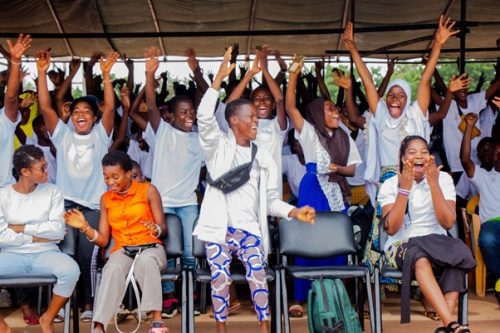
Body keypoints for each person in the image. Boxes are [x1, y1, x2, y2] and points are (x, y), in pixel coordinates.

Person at [193, 46, 316, 333]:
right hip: (218, 230)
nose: (255, 121)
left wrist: (294, 211)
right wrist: (218, 82)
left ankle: (264, 328)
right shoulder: (217, 147)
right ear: (233, 120)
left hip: (249, 229)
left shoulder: (262, 157)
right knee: (220, 277)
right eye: (250, 117)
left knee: (258, 275)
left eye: (256, 118)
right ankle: (221, 329)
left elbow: (272, 200)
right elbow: (203, 117)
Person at [36, 49, 119, 321]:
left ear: (95, 119)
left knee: (89, 259)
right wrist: (40, 73)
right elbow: (46, 108)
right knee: (61, 258)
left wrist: (106, 74)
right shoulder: (62, 136)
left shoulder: (100, 138)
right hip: (65, 206)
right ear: (71, 117)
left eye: (87, 111)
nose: (81, 114)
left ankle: (88, 305)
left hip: (94, 207)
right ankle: (58, 307)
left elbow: (109, 107)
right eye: (77, 111)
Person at [285, 58, 362, 317]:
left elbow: (351, 170)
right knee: (307, 238)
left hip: (337, 190)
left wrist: (335, 169)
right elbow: (290, 106)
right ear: (318, 113)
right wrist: (293, 75)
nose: (336, 113)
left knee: (335, 240)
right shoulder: (307, 131)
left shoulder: (345, 136)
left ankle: (335, 293)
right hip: (312, 187)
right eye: (330, 109)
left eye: (336, 109)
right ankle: (300, 297)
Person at [63, 150, 169, 333]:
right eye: (106, 177)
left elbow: (163, 227)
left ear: (128, 173)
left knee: (146, 261)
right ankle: (99, 326)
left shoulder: (148, 190)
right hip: (123, 249)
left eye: (115, 176)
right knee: (111, 268)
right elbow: (103, 240)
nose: (110, 182)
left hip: (150, 246)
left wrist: (156, 229)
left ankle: (157, 323)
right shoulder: (106, 199)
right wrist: (84, 227)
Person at [381, 136, 475, 333]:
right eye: (412, 152)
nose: (419, 156)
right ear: (403, 158)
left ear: (430, 157)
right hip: (402, 244)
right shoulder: (391, 184)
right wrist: (404, 190)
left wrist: (434, 185)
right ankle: (451, 323)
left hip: (437, 242)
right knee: (419, 257)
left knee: (457, 257)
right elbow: (392, 228)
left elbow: (447, 222)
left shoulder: (444, 180)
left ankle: (445, 327)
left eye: (424, 151)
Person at [142, 46, 205, 318]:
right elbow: (152, 105)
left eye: (191, 111)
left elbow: (202, 171)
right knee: (165, 252)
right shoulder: (163, 132)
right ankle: (168, 297)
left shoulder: (202, 139)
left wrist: (197, 71)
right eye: (183, 111)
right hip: (163, 203)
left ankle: (187, 295)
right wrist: (149, 73)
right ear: (174, 114)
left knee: (191, 252)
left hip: (188, 203)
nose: (189, 115)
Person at [0, 145, 80, 333]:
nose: (47, 170)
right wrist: (37, 237)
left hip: (46, 253)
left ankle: (48, 318)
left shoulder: (53, 191)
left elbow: (57, 230)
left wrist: (20, 229)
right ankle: (2, 326)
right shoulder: (3, 195)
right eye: (42, 167)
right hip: (11, 255)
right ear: (25, 171)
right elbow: (1, 236)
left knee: (71, 271)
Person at [460, 112, 500, 305]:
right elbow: (465, 160)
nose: (499, 156)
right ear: (491, 157)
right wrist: (469, 127)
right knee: (487, 239)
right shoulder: (484, 177)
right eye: (496, 153)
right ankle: (499, 282)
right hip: (491, 224)